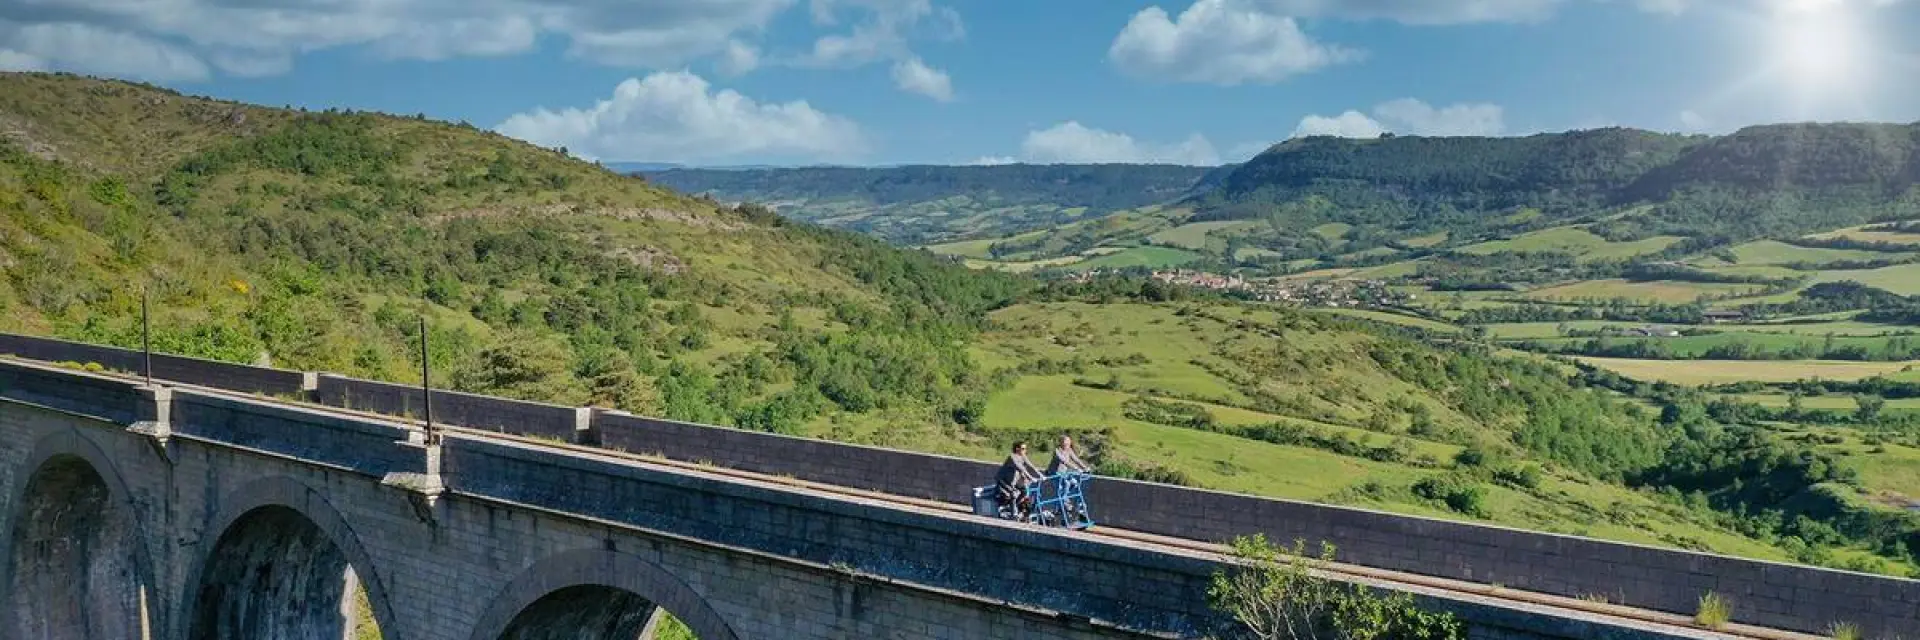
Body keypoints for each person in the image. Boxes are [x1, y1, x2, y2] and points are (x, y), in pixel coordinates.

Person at [994, 441, 1044, 518]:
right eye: (1023, 449)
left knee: (1024, 491)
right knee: (1013, 494)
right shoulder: (1012, 457)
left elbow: (1031, 465)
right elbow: (1021, 469)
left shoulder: (1023, 456)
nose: (1025, 451)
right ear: (1017, 449)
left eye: (1026, 449)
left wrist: (1040, 474)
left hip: (1014, 481)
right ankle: (1014, 513)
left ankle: (1012, 507)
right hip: (1003, 481)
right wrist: (1031, 478)